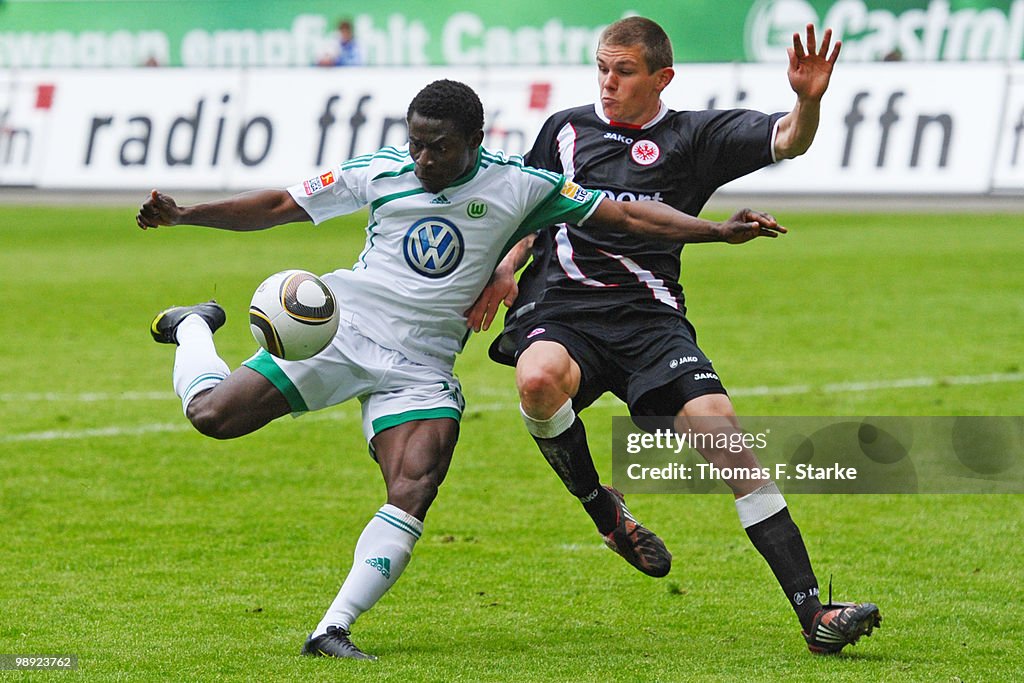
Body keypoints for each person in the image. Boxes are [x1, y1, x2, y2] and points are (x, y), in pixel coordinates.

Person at [135, 79, 785, 660]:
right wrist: (188, 214)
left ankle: (332, 627)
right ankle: (194, 325)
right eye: (416, 145)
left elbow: (626, 212)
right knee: (212, 417)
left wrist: (713, 232)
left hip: (420, 367)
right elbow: (280, 204)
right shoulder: (384, 172)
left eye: (439, 148)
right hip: (342, 331)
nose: (423, 161)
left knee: (413, 485)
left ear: (474, 140)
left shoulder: (520, 185)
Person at [468, 18, 882, 655]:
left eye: (624, 71)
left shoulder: (696, 136)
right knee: (538, 378)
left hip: (651, 320)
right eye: (602, 68)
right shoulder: (567, 130)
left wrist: (808, 99)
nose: (608, 82)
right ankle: (605, 512)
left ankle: (814, 615)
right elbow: (532, 208)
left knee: (724, 434)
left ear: (661, 78)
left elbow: (789, 140)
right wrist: (506, 267)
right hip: (564, 308)